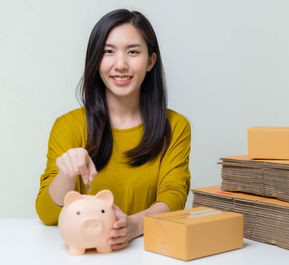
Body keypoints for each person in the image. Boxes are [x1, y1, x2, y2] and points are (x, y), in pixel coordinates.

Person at [35, 9, 191, 251]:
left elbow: (174, 198)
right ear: (95, 60)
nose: (120, 64)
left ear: (150, 61)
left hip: (146, 253)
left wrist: (134, 226)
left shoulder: (175, 126)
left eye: (133, 52)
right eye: (108, 51)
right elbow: (47, 214)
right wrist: (66, 172)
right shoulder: (68, 126)